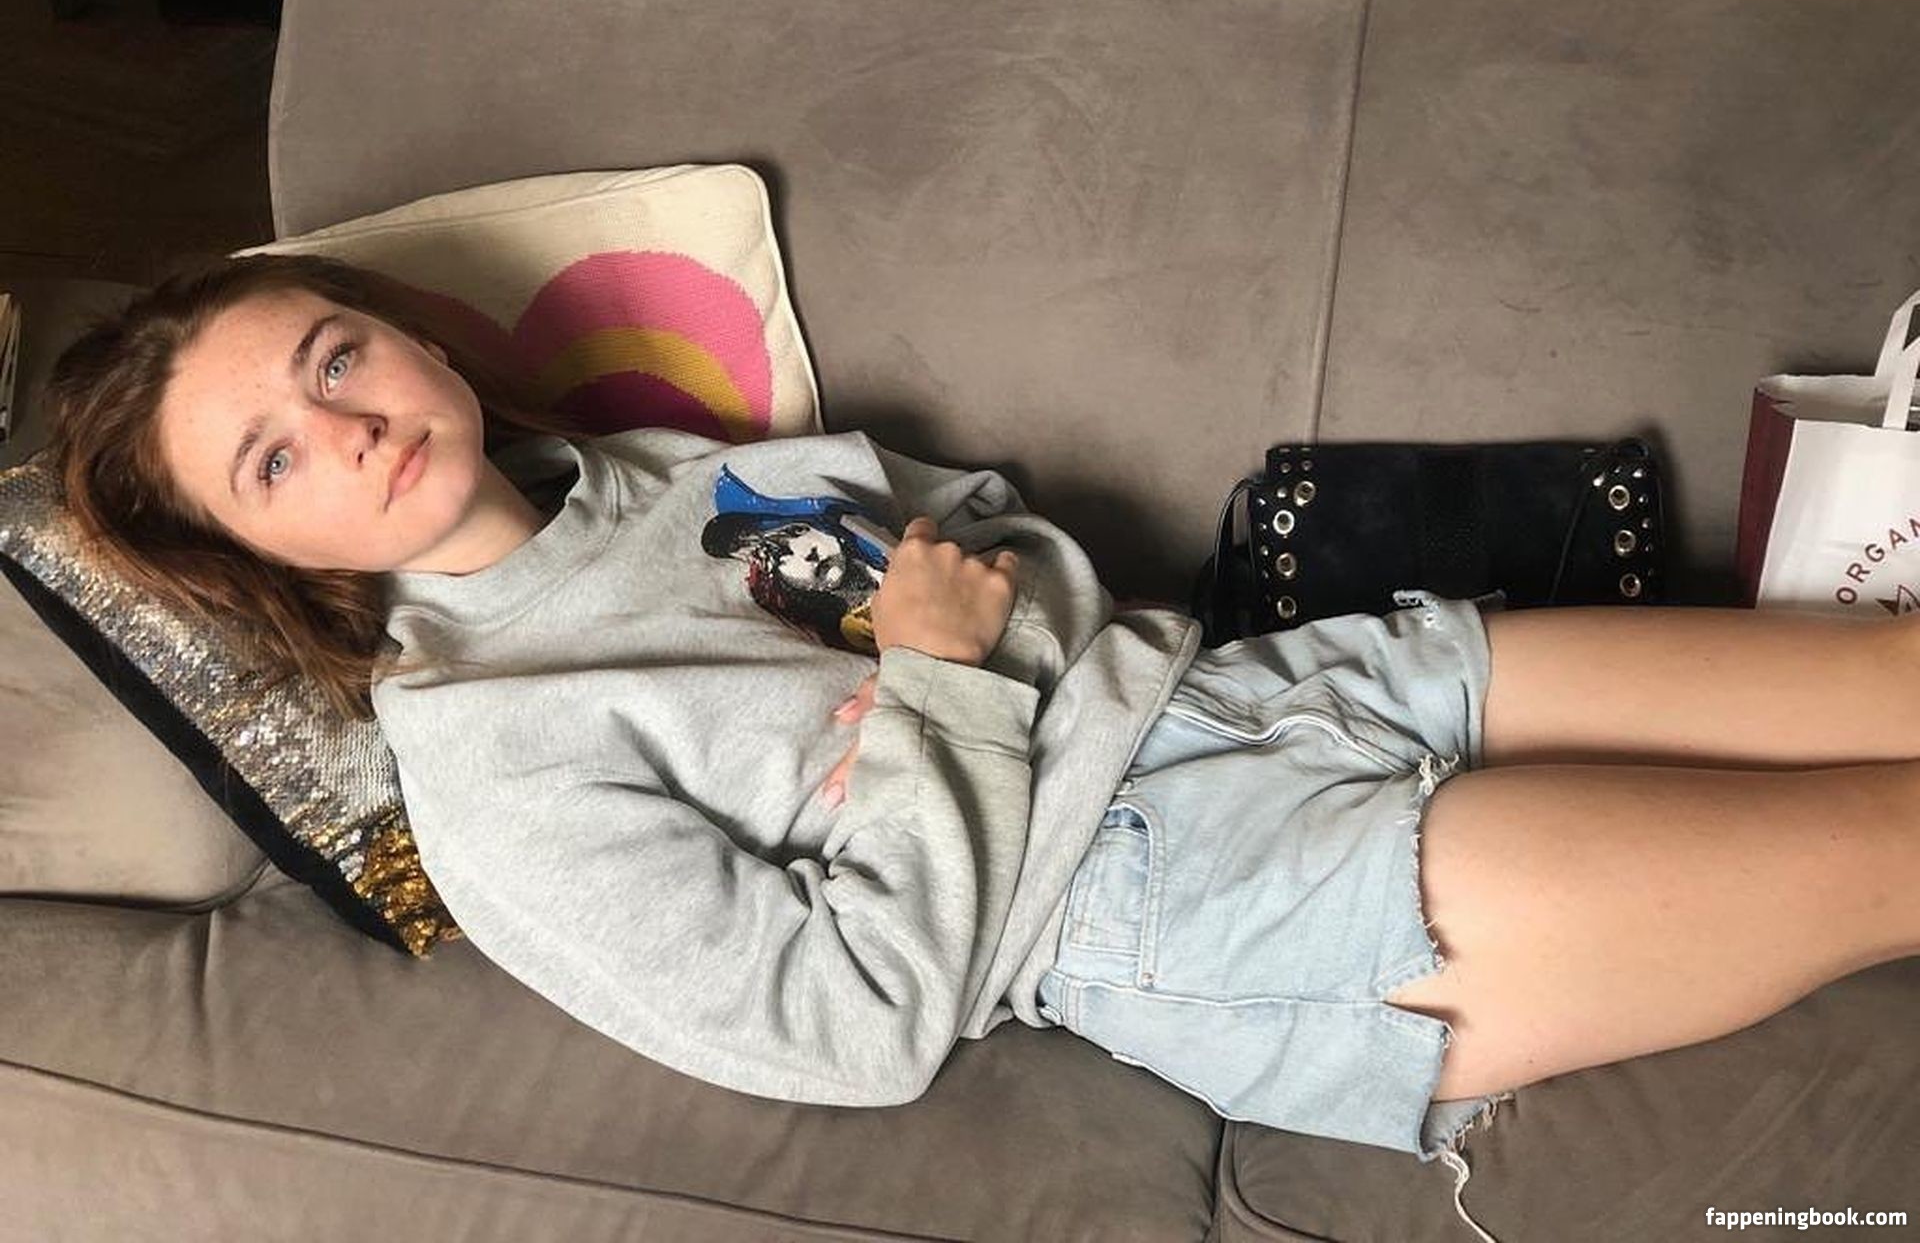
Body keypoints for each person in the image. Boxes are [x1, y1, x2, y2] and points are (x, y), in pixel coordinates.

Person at [45, 254, 1920, 1242]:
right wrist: (937, 683)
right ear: (257, 553)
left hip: (1248, 689)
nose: (347, 425)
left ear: (414, 345)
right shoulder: (486, 765)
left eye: (336, 357)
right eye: (272, 459)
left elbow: (978, 532)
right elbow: (843, 1034)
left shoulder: (646, 475)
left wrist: (978, 604)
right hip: (1173, 907)